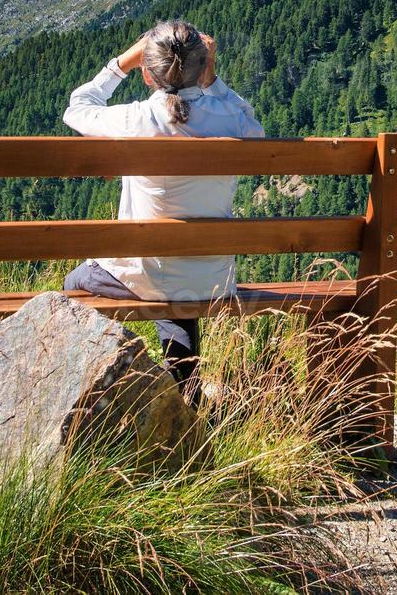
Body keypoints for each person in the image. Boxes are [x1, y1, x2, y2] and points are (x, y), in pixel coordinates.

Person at [61, 20, 264, 404]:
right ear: (202, 65)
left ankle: (92, 397)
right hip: (212, 277)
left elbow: (78, 107)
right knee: (173, 286)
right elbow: (251, 121)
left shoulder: (136, 120)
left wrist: (121, 62)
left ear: (146, 73)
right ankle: (187, 395)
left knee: (75, 285)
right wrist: (212, 77)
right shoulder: (231, 120)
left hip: (148, 275)